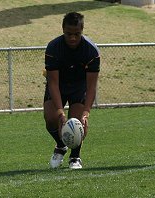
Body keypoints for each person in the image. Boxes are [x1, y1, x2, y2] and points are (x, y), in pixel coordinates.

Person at [43, 12, 100, 169]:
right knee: (50, 118)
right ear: (63, 30)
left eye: (77, 34)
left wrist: (86, 113)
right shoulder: (53, 48)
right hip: (59, 86)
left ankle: (75, 157)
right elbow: (53, 83)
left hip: (79, 87)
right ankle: (61, 145)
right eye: (69, 34)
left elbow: (91, 86)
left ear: (82, 30)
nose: (73, 38)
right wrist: (61, 113)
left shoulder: (91, 51)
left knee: (77, 122)